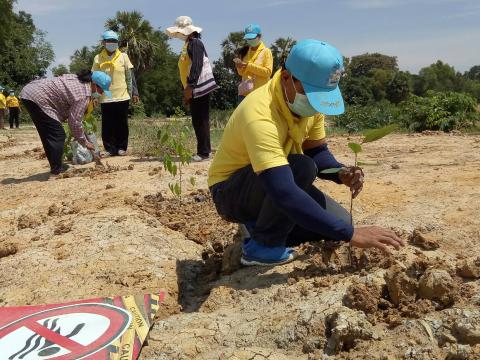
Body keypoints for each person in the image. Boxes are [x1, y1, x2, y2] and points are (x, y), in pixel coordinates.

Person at [208, 39, 405, 266]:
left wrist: (340, 173)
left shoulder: (310, 106)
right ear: (286, 78)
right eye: (310, 93)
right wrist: (351, 234)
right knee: (302, 168)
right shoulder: (259, 113)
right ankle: (262, 247)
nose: (316, 102)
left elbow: (317, 152)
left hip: (271, 181)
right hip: (231, 192)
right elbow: (283, 190)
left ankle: (259, 226)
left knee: (340, 219)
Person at [20, 71, 112, 177]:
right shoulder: (83, 94)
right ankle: (56, 171)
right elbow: (74, 122)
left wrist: (83, 137)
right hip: (39, 97)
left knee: (48, 134)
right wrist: (85, 142)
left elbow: (74, 119)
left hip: (29, 93)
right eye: (101, 90)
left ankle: (56, 166)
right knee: (57, 135)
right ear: (94, 84)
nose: (101, 93)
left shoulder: (78, 80)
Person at [166, 16, 218, 162]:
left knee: (201, 119)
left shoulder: (195, 43)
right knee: (197, 119)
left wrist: (190, 86)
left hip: (199, 87)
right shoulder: (188, 44)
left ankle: (204, 152)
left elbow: (196, 65)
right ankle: (203, 151)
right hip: (193, 87)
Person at [92, 30, 139, 157]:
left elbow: (130, 76)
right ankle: (109, 149)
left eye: (114, 41)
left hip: (122, 95)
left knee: (122, 123)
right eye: (109, 41)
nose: (111, 43)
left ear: (117, 43)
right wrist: (95, 96)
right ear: (104, 42)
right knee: (107, 124)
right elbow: (95, 78)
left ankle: (121, 147)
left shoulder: (124, 56)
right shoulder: (98, 58)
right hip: (105, 96)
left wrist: (135, 92)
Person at [235, 24, 273, 103]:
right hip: (245, 93)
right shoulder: (245, 51)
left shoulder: (266, 51)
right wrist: (239, 67)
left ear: (259, 36)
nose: (250, 40)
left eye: (252, 37)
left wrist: (248, 66)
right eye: (248, 38)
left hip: (260, 95)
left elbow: (268, 72)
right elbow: (241, 73)